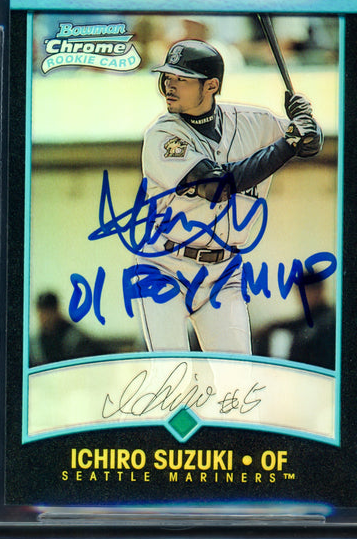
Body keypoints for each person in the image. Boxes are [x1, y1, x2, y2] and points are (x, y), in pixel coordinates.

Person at [133, 39, 322, 354]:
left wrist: (306, 122)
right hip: (165, 266)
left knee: (235, 375)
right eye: (168, 77)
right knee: (171, 371)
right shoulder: (162, 136)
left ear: (211, 85)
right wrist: (289, 142)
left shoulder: (253, 123)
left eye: (182, 78)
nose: (169, 85)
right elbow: (218, 187)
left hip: (223, 270)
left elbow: (309, 143)